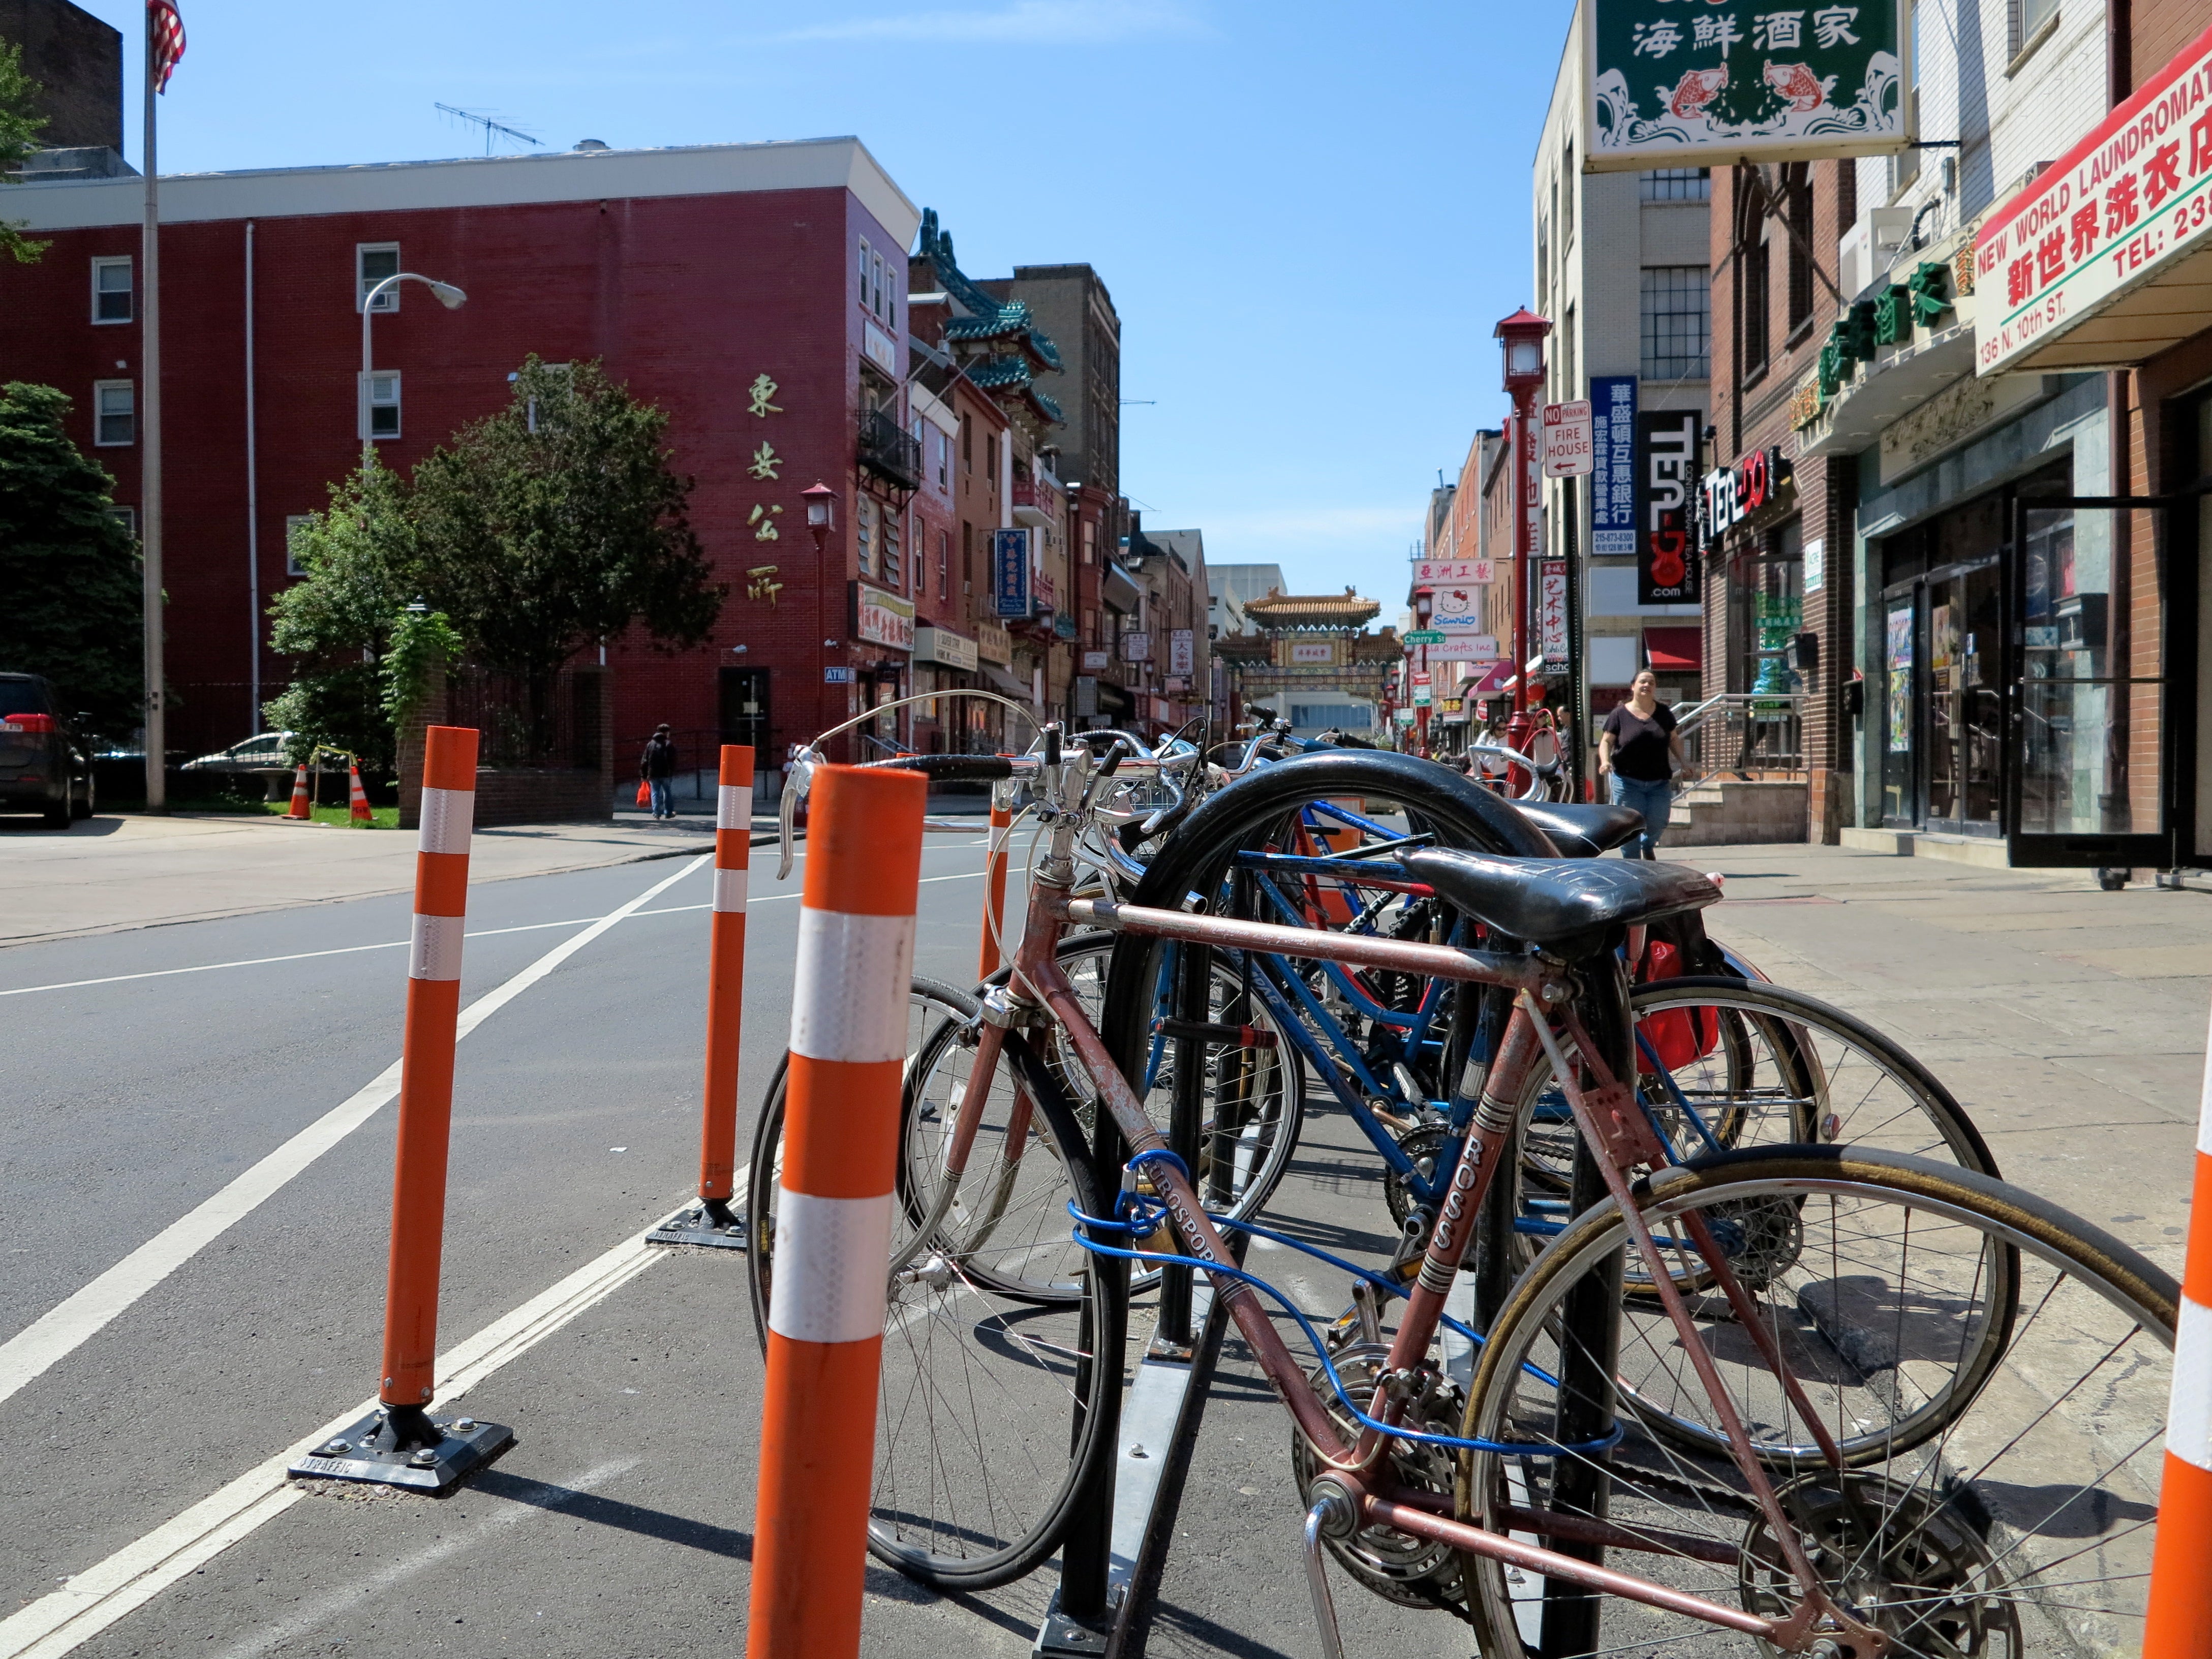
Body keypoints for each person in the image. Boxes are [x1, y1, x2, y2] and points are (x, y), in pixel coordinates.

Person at [1597, 670, 1685, 859]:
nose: (1647, 685)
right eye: (1643, 682)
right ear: (1633, 686)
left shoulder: (1664, 713)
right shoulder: (1619, 714)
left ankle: (1648, 844)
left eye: (1651, 683)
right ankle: (1634, 866)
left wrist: (1684, 762)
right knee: (1630, 826)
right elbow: (1606, 742)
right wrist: (1605, 761)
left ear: (1655, 688)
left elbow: (1674, 740)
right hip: (1627, 781)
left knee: (1659, 821)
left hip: (1659, 781)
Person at [640, 724, 679, 820]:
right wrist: (672, 771)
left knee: (655, 793)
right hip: (666, 773)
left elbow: (645, 761)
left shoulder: (650, 744)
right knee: (667, 792)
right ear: (666, 732)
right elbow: (673, 759)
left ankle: (656, 814)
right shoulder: (668, 744)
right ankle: (668, 812)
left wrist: (644, 775)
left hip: (652, 773)